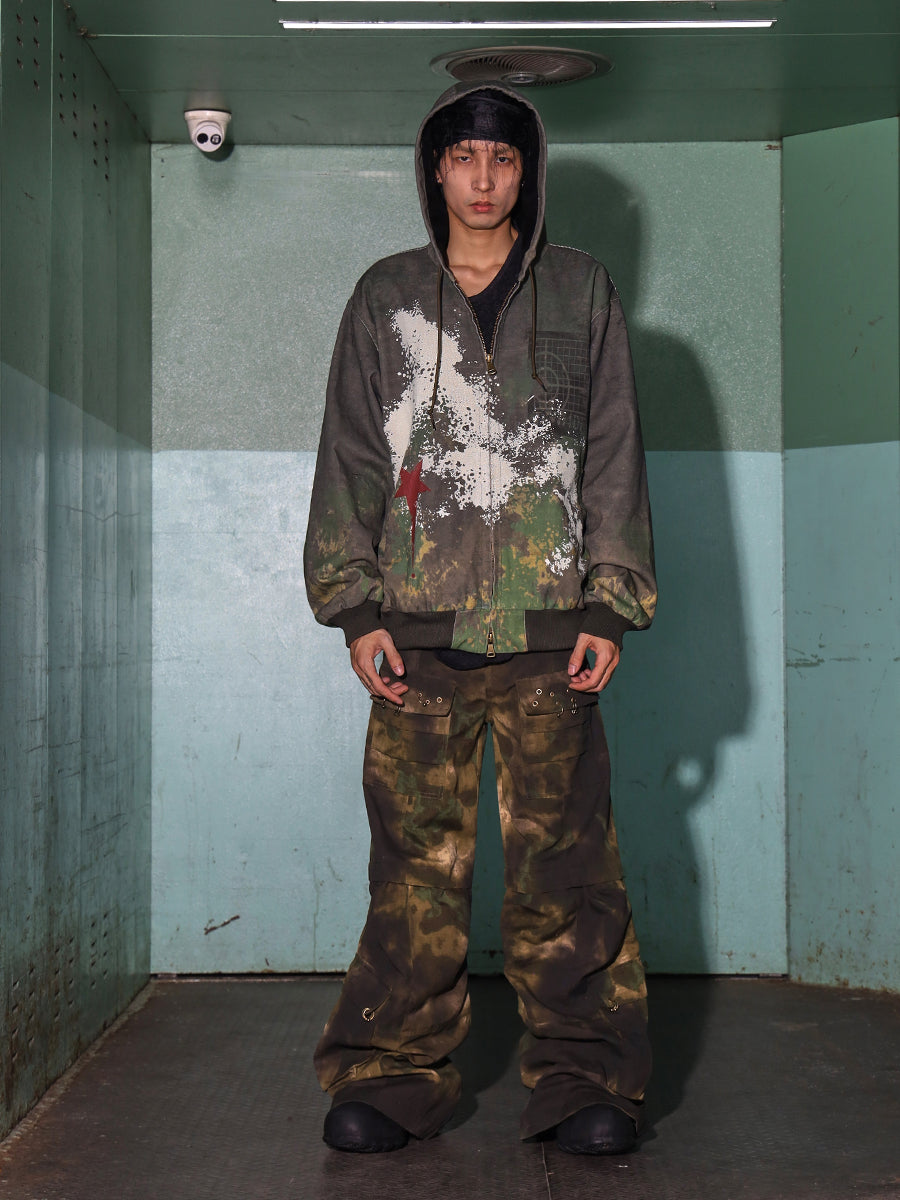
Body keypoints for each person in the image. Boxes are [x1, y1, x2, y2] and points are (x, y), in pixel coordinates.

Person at [304, 82, 657, 1156]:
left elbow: (613, 450)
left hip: (552, 636)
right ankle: (389, 1076)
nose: (484, 178)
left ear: (527, 170)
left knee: (566, 873)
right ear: (435, 170)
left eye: (503, 159)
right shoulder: (385, 298)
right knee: (415, 876)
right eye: (463, 156)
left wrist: (611, 601)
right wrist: (355, 608)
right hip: (415, 640)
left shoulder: (583, 291)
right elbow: (352, 453)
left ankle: (586, 1080)